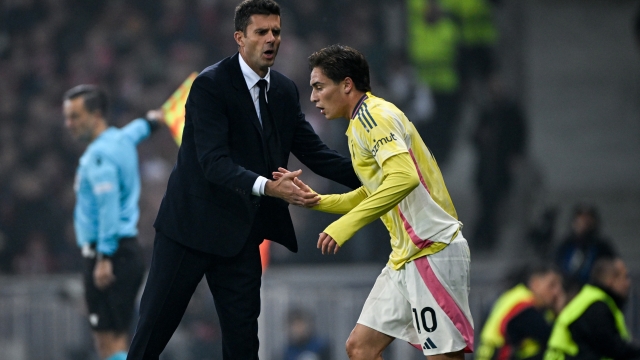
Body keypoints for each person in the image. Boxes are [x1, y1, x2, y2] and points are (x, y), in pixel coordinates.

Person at [126, 1, 360, 359]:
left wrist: (376, 177)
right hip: (188, 231)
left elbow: (315, 153)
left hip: (239, 236)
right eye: (261, 32)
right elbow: (213, 163)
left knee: (243, 346)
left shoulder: (282, 90)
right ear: (240, 38)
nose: (271, 39)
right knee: (151, 336)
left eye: (276, 32)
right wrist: (269, 187)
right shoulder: (209, 86)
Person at [280, 44, 474, 359]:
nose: (313, 97)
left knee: (444, 357)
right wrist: (317, 202)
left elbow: (404, 178)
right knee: (360, 347)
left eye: (319, 87)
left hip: (433, 250)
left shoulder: (375, 117)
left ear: (346, 85)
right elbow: (376, 191)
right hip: (405, 258)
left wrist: (345, 226)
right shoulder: (358, 125)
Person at [62, 84, 162, 360]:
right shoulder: (119, 139)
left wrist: (104, 258)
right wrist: (154, 120)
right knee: (112, 340)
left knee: (111, 343)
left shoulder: (99, 157)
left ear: (95, 116)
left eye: (75, 116)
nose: (69, 124)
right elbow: (138, 129)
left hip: (109, 254)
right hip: (124, 252)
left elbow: (108, 207)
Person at [545, 257, 640, 360]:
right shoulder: (596, 306)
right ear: (611, 280)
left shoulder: (592, 299)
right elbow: (612, 347)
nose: (628, 283)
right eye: (625, 277)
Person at [476, 264, 564, 360]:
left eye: (560, 286)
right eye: (552, 285)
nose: (557, 292)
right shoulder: (525, 308)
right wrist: (561, 309)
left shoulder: (518, 295)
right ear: (535, 284)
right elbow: (554, 337)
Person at [554, 204, 616, 297]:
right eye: (580, 219)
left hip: (593, 293)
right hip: (568, 293)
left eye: (587, 220)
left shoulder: (602, 247)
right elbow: (557, 266)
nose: (583, 223)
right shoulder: (565, 245)